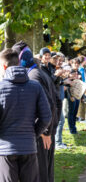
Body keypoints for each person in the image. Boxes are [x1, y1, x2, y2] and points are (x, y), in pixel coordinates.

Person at [0, 48, 51, 182]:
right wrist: (34, 133)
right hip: (29, 146)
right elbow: (46, 117)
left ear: (4, 66)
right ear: (18, 64)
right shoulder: (35, 87)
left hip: (6, 148)